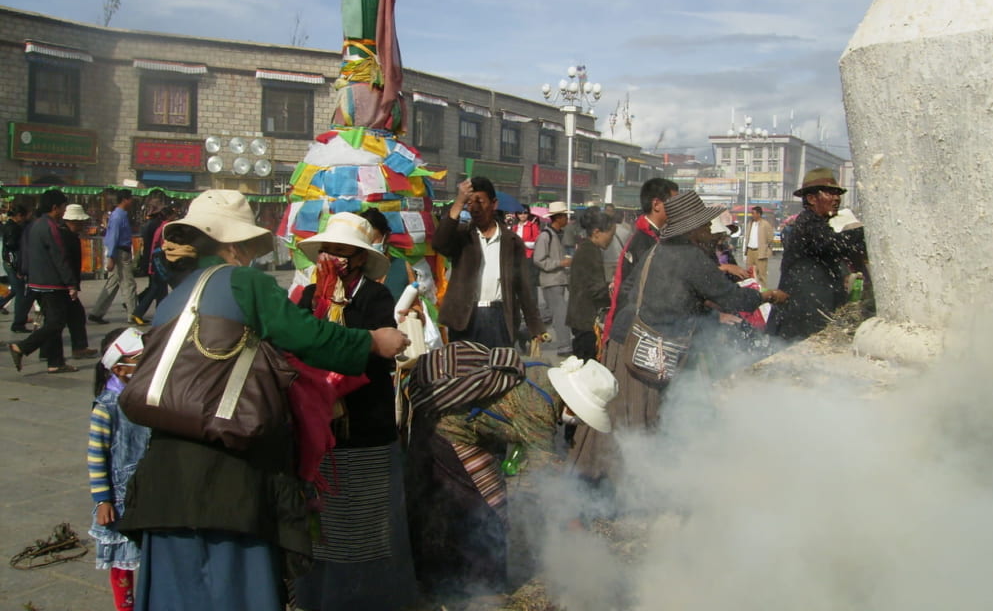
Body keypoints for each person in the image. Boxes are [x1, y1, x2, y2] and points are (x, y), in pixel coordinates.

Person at [116, 190, 410, 611]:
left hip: (164, 474)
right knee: (235, 589)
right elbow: (306, 337)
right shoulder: (243, 282)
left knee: (178, 593)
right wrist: (372, 341)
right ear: (233, 246)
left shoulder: (174, 297)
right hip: (227, 472)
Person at [571, 190, 788, 484]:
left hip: (625, 338)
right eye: (705, 225)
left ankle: (595, 478)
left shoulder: (656, 250)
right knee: (641, 418)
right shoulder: (692, 258)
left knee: (613, 413)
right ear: (693, 229)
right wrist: (768, 295)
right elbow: (733, 299)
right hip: (650, 346)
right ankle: (633, 484)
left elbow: (629, 291)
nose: (709, 230)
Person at [406, 353, 618, 599]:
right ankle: (479, 589)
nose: (578, 421)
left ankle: (450, 577)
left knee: (467, 503)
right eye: (580, 416)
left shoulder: (542, 372)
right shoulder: (540, 408)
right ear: (572, 402)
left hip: (459, 423)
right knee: (482, 510)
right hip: (448, 428)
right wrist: (578, 533)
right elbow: (548, 479)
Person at [291, 213, 419, 611]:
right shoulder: (307, 295)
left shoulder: (375, 298)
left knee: (366, 530)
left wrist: (338, 348)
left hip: (364, 427)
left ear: (360, 258)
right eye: (327, 250)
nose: (333, 258)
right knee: (322, 529)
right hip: (316, 432)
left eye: (342, 252)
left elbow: (376, 358)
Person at [432, 177, 545, 349]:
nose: (474, 208)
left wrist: (535, 326)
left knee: (497, 372)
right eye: (469, 203)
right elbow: (439, 243)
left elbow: (523, 286)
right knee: (465, 371)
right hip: (465, 316)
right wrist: (458, 202)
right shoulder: (462, 237)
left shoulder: (512, 241)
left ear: (494, 204)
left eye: (480, 202)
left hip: (499, 317)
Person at [88, 327, 151, 611]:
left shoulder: (147, 398)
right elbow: (96, 457)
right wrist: (103, 500)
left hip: (150, 490)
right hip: (120, 498)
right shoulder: (106, 407)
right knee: (122, 563)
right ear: (119, 367)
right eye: (140, 359)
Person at [768, 169, 868, 341]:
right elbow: (833, 244)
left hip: (810, 309)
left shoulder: (819, 223)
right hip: (802, 312)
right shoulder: (808, 223)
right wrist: (868, 231)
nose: (836, 198)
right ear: (812, 199)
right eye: (830, 193)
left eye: (838, 193)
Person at [9, 189, 78, 374]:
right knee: (56, 322)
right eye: (63, 207)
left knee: (52, 321)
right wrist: (71, 283)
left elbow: (24, 250)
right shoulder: (51, 227)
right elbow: (59, 256)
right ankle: (22, 347)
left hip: (36, 281)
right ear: (55, 207)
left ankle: (55, 362)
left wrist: (24, 272)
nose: (64, 211)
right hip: (52, 282)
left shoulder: (34, 225)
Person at [602, 178, 679, 344]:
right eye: (674, 202)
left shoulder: (654, 236)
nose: (678, 208)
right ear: (657, 204)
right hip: (636, 326)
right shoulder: (644, 241)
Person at [566, 207, 615, 362]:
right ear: (596, 232)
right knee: (586, 365)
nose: (611, 239)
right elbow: (596, 289)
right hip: (585, 319)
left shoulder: (588, 248)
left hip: (581, 316)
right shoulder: (589, 251)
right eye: (610, 235)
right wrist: (613, 294)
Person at [90, 189, 139, 326]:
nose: (132, 202)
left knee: (112, 284)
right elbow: (113, 236)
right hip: (120, 253)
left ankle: (97, 312)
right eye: (130, 199)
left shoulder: (121, 215)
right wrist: (111, 256)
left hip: (120, 251)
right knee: (128, 284)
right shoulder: (118, 216)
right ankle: (133, 314)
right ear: (125, 199)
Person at [533, 202, 574, 357]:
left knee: (551, 315)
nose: (567, 219)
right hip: (551, 281)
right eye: (564, 216)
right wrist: (560, 263)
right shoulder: (546, 236)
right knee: (560, 315)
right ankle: (565, 347)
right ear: (557, 217)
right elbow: (539, 260)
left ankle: (526, 330)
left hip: (560, 279)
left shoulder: (558, 234)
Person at [62, 203, 98, 358]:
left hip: (67, 282)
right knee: (58, 321)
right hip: (65, 284)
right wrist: (71, 284)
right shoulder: (66, 238)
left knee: (72, 316)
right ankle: (78, 348)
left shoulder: (68, 236)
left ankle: (78, 347)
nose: (82, 225)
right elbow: (65, 262)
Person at [130, 203, 173, 324]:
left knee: (160, 289)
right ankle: (139, 312)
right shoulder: (165, 227)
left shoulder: (158, 226)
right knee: (156, 288)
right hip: (160, 260)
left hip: (155, 260)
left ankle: (160, 313)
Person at [2, 204, 32, 332]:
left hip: (11, 263)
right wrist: (17, 268)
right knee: (21, 294)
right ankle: (19, 323)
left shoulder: (10, 226)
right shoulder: (13, 228)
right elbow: (12, 249)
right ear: (19, 216)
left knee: (14, 290)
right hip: (13, 264)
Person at [744, 205, 774, 286]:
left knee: (761, 273)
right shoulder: (750, 223)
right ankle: (751, 290)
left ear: (759, 214)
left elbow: (770, 238)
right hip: (750, 251)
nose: (752, 215)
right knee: (750, 273)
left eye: (753, 213)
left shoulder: (765, 224)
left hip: (760, 252)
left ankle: (763, 292)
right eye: (751, 213)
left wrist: (766, 249)